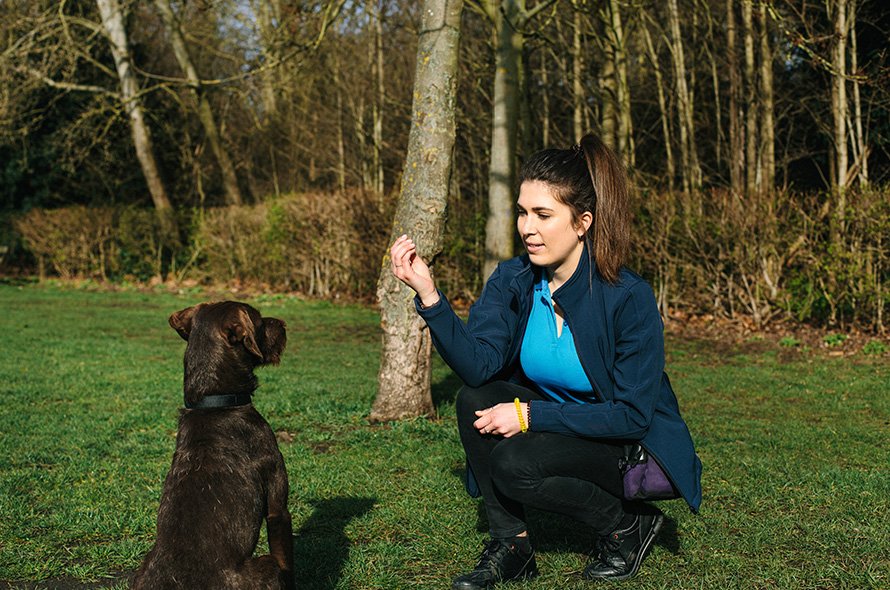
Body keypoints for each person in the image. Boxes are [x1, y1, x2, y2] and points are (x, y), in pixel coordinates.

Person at [390, 133, 702, 589]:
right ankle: (511, 546)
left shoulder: (626, 297)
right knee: (474, 397)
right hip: (556, 423)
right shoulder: (514, 279)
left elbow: (632, 416)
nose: (527, 227)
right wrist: (430, 296)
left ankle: (625, 527)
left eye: (543, 214)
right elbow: (478, 366)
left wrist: (529, 415)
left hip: (622, 442)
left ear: (583, 223)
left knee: (514, 465)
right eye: (522, 211)